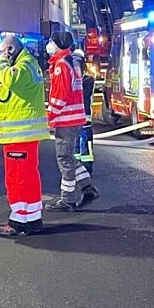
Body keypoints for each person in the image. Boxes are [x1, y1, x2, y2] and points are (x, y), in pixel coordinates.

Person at [0, 34, 50, 236]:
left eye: (3, 50)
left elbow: (10, 80)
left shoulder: (23, 66)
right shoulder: (28, 64)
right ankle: (32, 219)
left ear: (11, 50)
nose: (0, 54)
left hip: (19, 136)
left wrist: (1, 62)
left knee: (17, 178)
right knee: (27, 177)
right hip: (21, 136)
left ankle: (18, 220)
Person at [45, 31, 98, 211]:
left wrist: (50, 116)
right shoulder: (72, 62)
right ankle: (87, 187)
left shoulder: (61, 65)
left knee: (64, 159)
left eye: (51, 42)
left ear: (58, 44)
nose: (49, 45)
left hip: (66, 119)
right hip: (75, 117)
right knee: (69, 156)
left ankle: (67, 199)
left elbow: (60, 95)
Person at [73, 47, 97, 178]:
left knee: (85, 146)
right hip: (74, 118)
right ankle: (77, 169)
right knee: (76, 145)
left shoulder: (88, 80)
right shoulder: (75, 79)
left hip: (85, 118)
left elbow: (83, 95)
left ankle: (87, 170)